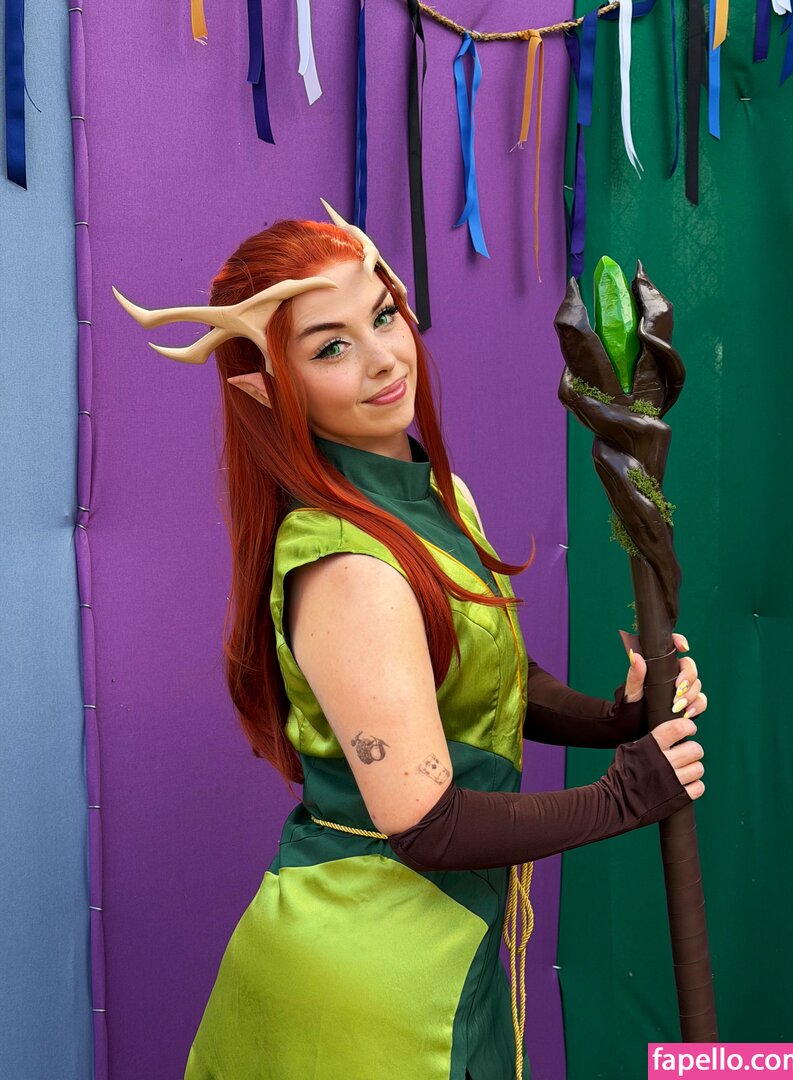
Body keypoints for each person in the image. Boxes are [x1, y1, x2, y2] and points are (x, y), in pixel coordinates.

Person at [114, 201, 708, 1080]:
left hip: (446, 955)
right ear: (269, 388)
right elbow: (428, 823)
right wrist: (625, 795)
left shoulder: (437, 497)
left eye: (383, 315)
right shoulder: (346, 568)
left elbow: (487, 677)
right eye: (330, 347)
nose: (384, 358)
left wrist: (610, 719)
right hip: (364, 988)